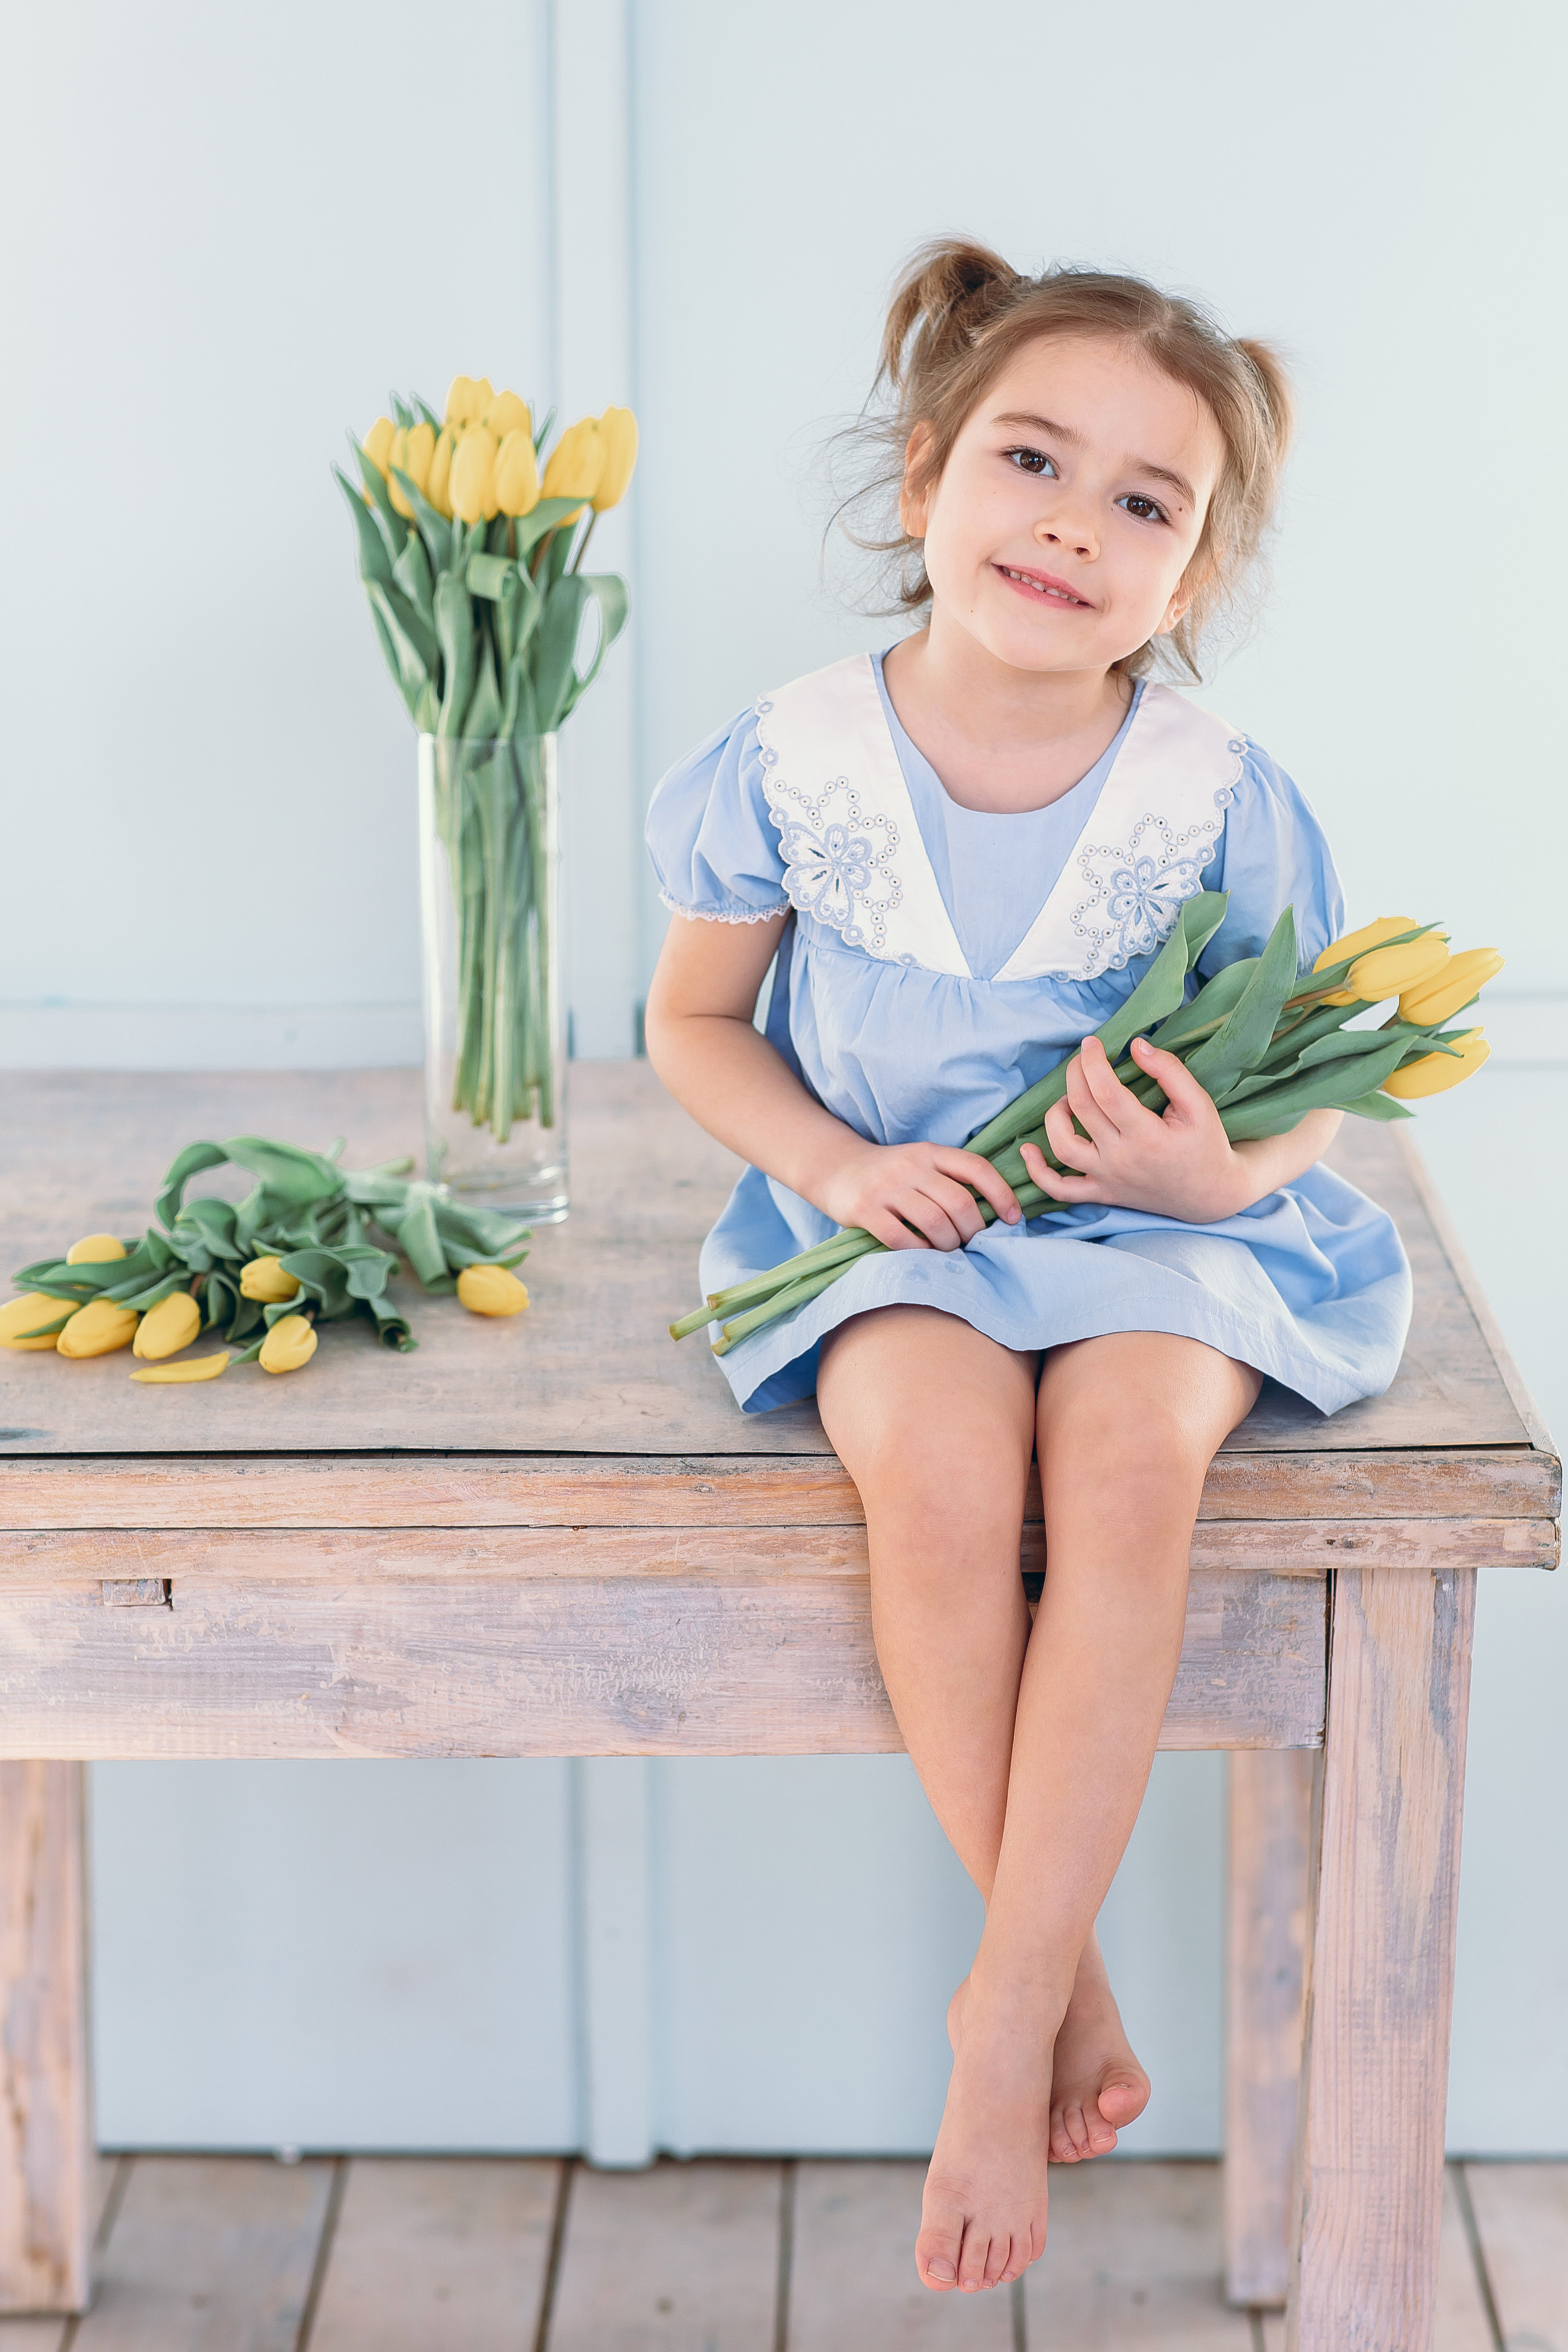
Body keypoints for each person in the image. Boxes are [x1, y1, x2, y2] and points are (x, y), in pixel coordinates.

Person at [643, 239, 1411, 2297]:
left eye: (1146, 503)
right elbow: (695, 1030)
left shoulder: (1215, 796)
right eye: (1032, 459)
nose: (1077, 520)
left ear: (1191, 574)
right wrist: (835, 1164)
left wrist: (1205, 1165)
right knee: (944, 1473)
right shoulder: (795, 759)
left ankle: (997, 2018)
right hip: (902, 1220)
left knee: (1132, 1462)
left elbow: (1322, 1080)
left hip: (1153, 1233)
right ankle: (1049, 1980)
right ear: (923, 485)